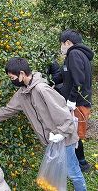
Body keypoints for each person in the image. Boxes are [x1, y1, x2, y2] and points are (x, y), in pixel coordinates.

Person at [0, 57, 87, 191]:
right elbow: (10, 108)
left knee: (73, 172)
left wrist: (61, 134)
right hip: (50, 141)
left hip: (64, 139)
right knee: (60, 171)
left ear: (21, 74)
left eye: (11, 77)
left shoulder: (42, 90)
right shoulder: (22, 93)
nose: (11, 80)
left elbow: (64, 114)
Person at [48, 29, 94, 172]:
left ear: (67, 42)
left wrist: (72, 100)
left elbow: (78, 81)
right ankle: (81, 163)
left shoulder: (74, 53)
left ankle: (82, 164)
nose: (61, 47)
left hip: (78, 104)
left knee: (74, 135)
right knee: (73, 134)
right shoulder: (75, 55)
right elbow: (67, 77)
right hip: (78, 102)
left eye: (61, 44)